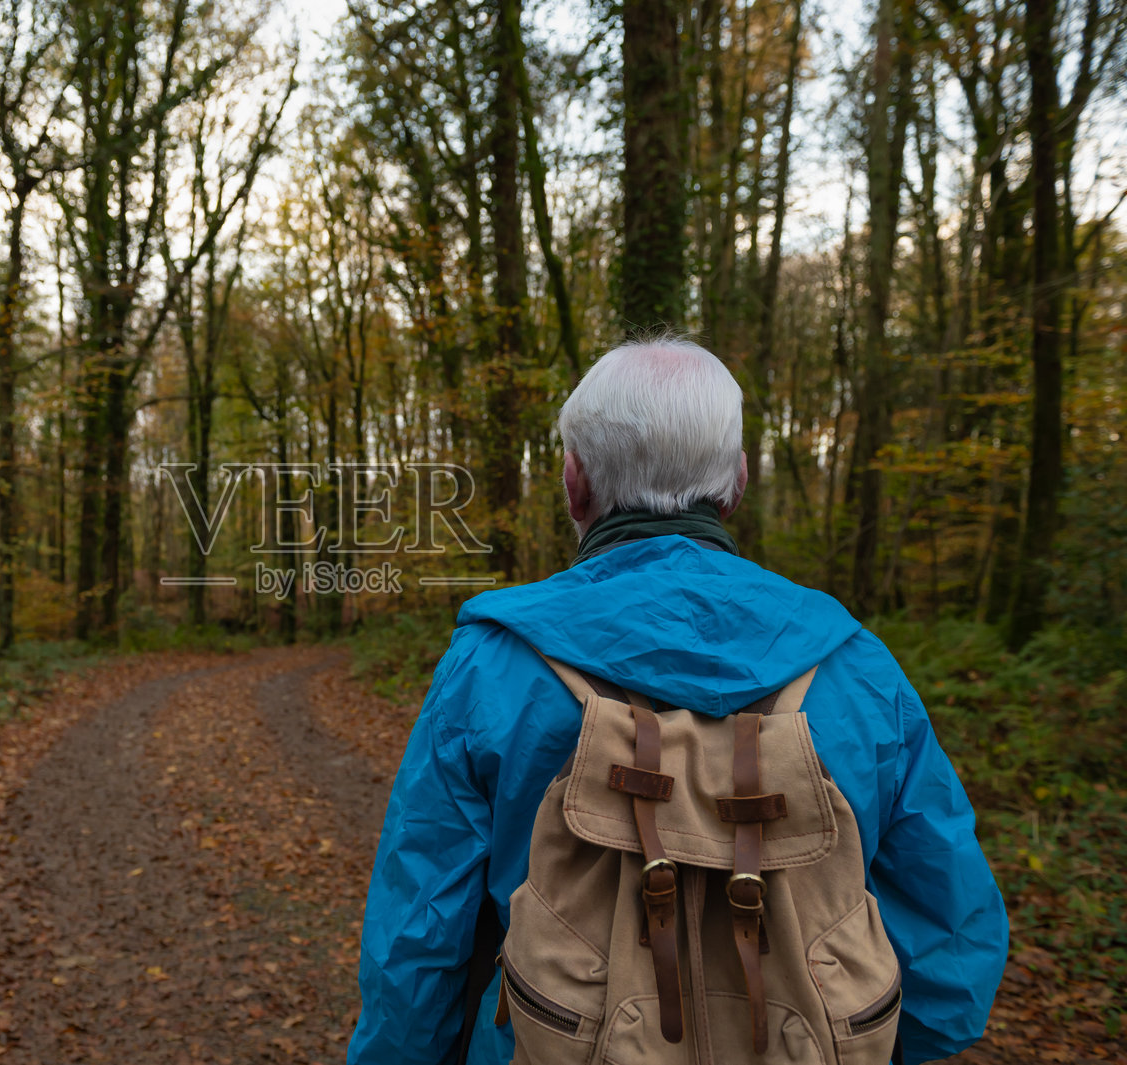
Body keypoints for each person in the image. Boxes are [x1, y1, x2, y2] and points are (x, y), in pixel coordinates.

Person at [348, 337, 1008, 1065]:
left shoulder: (492, 668)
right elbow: (950, 955)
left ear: (574, 482)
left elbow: (417, 937)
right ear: (736, 484)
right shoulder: (858, 669)